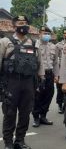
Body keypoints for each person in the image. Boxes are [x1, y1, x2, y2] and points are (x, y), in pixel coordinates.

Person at [0, 15, 44, 149]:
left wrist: (40, 79)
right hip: (11, 82)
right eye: (20, 23)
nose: (23, 25)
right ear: (14, 26)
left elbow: (39, 63)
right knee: (9, 113)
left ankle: (20, 140)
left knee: (25, 113)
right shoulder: (4, 42)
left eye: (25, 22)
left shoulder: (34, 43)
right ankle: (8, 142)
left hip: (28, 83)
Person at [32, 26, 59, 128]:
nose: (46, 35)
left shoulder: (53, 46)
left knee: (49, 94)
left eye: (48, 33)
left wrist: (56, 75)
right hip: (38, 74)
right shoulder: (35, 45)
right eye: (44, 33)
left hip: (49, 73)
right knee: (37, 96)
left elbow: (56, 62)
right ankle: (36, 117)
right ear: (39, 34)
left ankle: (43, 116)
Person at [55, 29, 66, 114]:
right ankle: (59, 105)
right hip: (61, 67)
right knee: (60, 88)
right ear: (63, 35)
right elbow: (56, 60)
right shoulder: (58, 45)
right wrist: (57, 73)